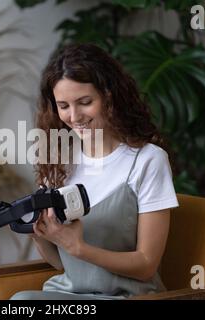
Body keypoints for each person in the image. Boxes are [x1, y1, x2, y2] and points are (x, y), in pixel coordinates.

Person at [10, 43, 179, 300]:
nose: (74, 116)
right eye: (63, 105)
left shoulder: (148, 160)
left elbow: (147, 266)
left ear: (109, 96)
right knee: (22, 301)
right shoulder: (58, 162)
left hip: (128, 296)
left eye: (85, 102)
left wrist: (79, 248)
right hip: (70, 295)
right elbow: (61, 265)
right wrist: (39, 233)